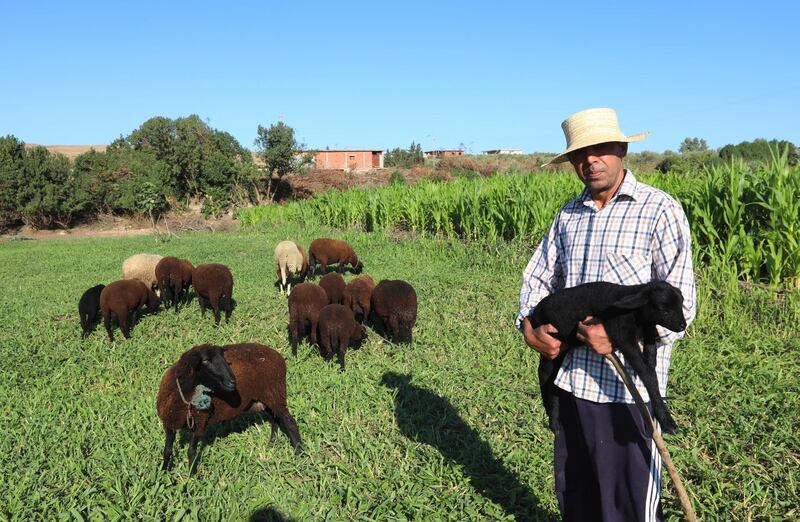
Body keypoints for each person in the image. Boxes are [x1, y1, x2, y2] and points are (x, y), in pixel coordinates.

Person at [516, 108, 696, 521]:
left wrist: (618, 338)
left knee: (629, 502)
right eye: (581, 153)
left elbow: (680, 301)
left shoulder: (659, 210)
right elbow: (538, 278)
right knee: (577, 495)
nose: (590, 160)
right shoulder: (568, 215)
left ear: (622, 149)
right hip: (571, 381)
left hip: (626, 389)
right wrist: (529, 327)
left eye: (600, 149)